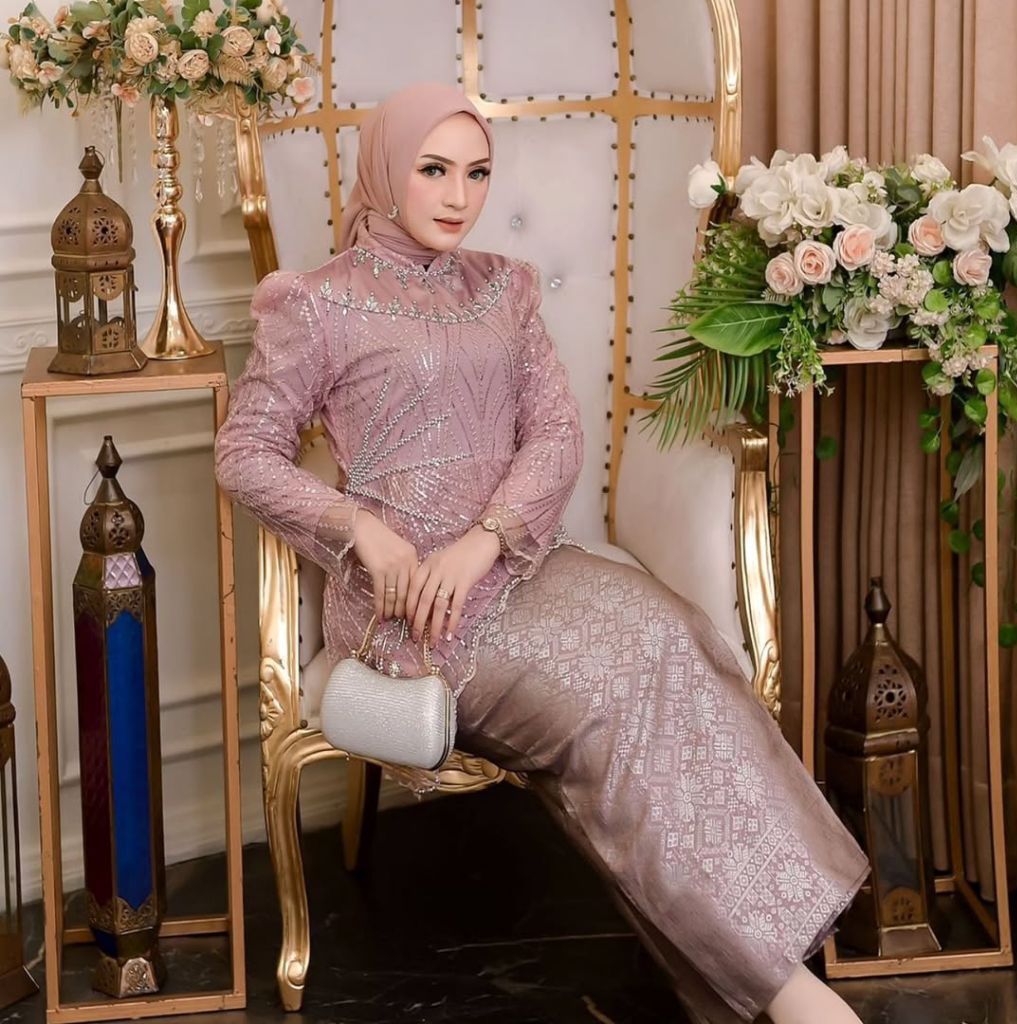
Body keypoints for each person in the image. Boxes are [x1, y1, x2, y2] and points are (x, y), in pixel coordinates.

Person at [214, 81, 870, 1024]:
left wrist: (484, 542)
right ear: (386, 171)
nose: (458, 196)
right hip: (412, 610)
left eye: (477, 173)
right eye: (433, 170)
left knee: (677, 639)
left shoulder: (504, 288)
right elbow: (244, 454)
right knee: (602, 708)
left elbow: (556, 437)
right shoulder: (315, 305)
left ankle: (766, 949)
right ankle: (786, 992)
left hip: (519, 562)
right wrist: (360, 529)